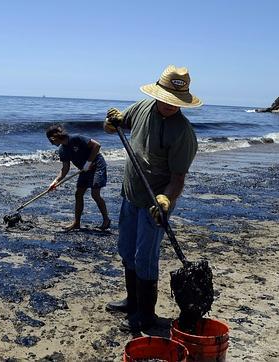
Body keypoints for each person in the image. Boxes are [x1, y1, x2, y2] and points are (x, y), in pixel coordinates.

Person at [103, 65, 202, 331]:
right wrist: (112, 123)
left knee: (145, 256)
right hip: (130, 194)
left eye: (176, 102)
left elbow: (178, 179)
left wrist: (166, 200)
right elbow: (119, 124)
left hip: (155, 204)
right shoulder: (142, 107)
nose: (170, 105)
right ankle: (132, 302)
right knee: (126, 251)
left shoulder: (183, 133)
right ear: (158, 93)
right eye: (167, 99)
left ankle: (146, 314)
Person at [46, 124, 111, 231]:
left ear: (54, 137)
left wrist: (88, 162)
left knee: (95, 194)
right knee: (78, 193)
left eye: (51, 140)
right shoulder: (62, 150)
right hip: (84, 169)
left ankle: (106, 220)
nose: (51, 143)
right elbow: (65, 169)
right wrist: (55, 181)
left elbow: (97, 146)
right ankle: (76, 223)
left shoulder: (76, 138)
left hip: (96, 165)